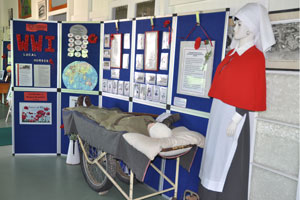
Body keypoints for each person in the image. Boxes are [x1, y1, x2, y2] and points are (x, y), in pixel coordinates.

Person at [198, 3, 275, 200]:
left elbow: (251, 90)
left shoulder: (255, 57)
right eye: (236, 24)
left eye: (239, 25)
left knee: (227, 161)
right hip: (219, 113)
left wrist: (236, 118)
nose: (235, 28)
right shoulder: (231, 54)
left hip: (233, 118)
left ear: (251, 28)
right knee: (213, 157)